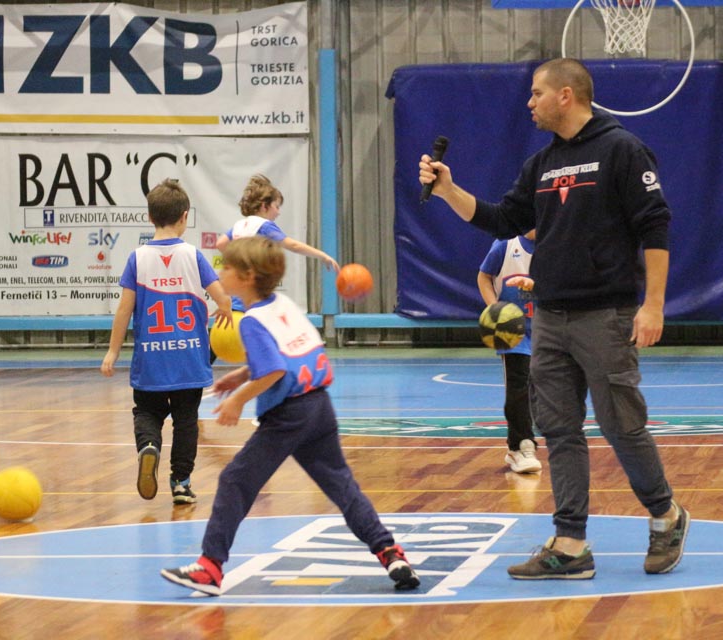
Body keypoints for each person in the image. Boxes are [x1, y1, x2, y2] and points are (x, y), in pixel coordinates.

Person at [418, 58, 689, 579]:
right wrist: (449, 189)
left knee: (622, 426)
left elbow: (655, 226)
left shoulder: (622, 149)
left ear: (566, 95)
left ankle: (666, 515)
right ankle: (570, 545)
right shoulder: (541, 163)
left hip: (605, 315)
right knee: (560, 430)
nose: (530, 102)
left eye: (537, 93)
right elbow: (502, 219)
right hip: (548, 318)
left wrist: (653, 304)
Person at [160, 236, 420, 596]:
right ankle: (390, 553)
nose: (221, 273)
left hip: (289, 414)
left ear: (248, 277)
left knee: (235, 480)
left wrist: (238, 400)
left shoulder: (251, 321)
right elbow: (289, 355)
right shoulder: (283, 305)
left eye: (228, 267)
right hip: (320, 407)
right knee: (342, 486)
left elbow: (275, 370)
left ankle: (210, 568)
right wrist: (241, 375)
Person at [102, 179, 232, 504]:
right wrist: (222, 310)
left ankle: (149, 446)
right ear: (185, 216)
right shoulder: (193, 256)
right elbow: (223, 298)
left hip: (151, 358)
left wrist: (112, 351)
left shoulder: (137, 258)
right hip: (189, 357)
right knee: (187, 422)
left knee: (147, 411)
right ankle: (181, 483)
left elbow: (124, 310)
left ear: (150, 217)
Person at [477, 229, 541, 474]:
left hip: (549, 329)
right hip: (514, 333)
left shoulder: (557, 242)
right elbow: (484, 276)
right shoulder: (505, 245)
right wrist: (495, 310)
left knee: (545, 390)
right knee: (518, 389)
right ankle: (520, 446)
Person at [215, 174, 339, 273]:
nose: (278, 212)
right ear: (264, 206)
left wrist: (240, 262)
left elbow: (220, 244)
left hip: (238, 289)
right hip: (255, 290)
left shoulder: (240, 224)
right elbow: (294, 246)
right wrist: (322, 255)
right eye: (277, 206)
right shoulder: (264, 226)